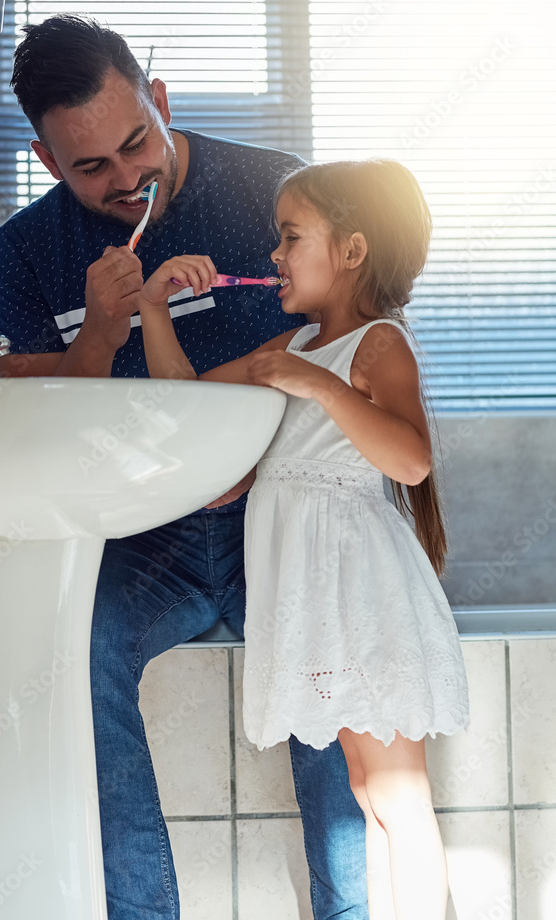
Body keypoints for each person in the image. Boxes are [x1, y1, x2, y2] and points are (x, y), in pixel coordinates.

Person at [0, 15, 369, 918]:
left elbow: (355, 342)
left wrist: (229, 428)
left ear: (159, 103)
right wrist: (105, 335)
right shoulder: (28, 251)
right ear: (47, 162)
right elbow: (27, 415)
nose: (127, 181)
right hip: (143, 536)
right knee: (70, 656)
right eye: (91, 169)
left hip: (277, 515)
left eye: (136, 144)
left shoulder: (276, 193)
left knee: (325, 670)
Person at [138, 159, 471, 920]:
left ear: (350, 252)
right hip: (318, 601)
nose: (275, 256)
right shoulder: (290, 347)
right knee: (368, 790)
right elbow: (184, 408)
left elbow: (409, 459)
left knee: (394, 796)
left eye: (290, 237)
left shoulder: (374, 346)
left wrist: (315, 382)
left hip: (362, 597)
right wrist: (154, 309)